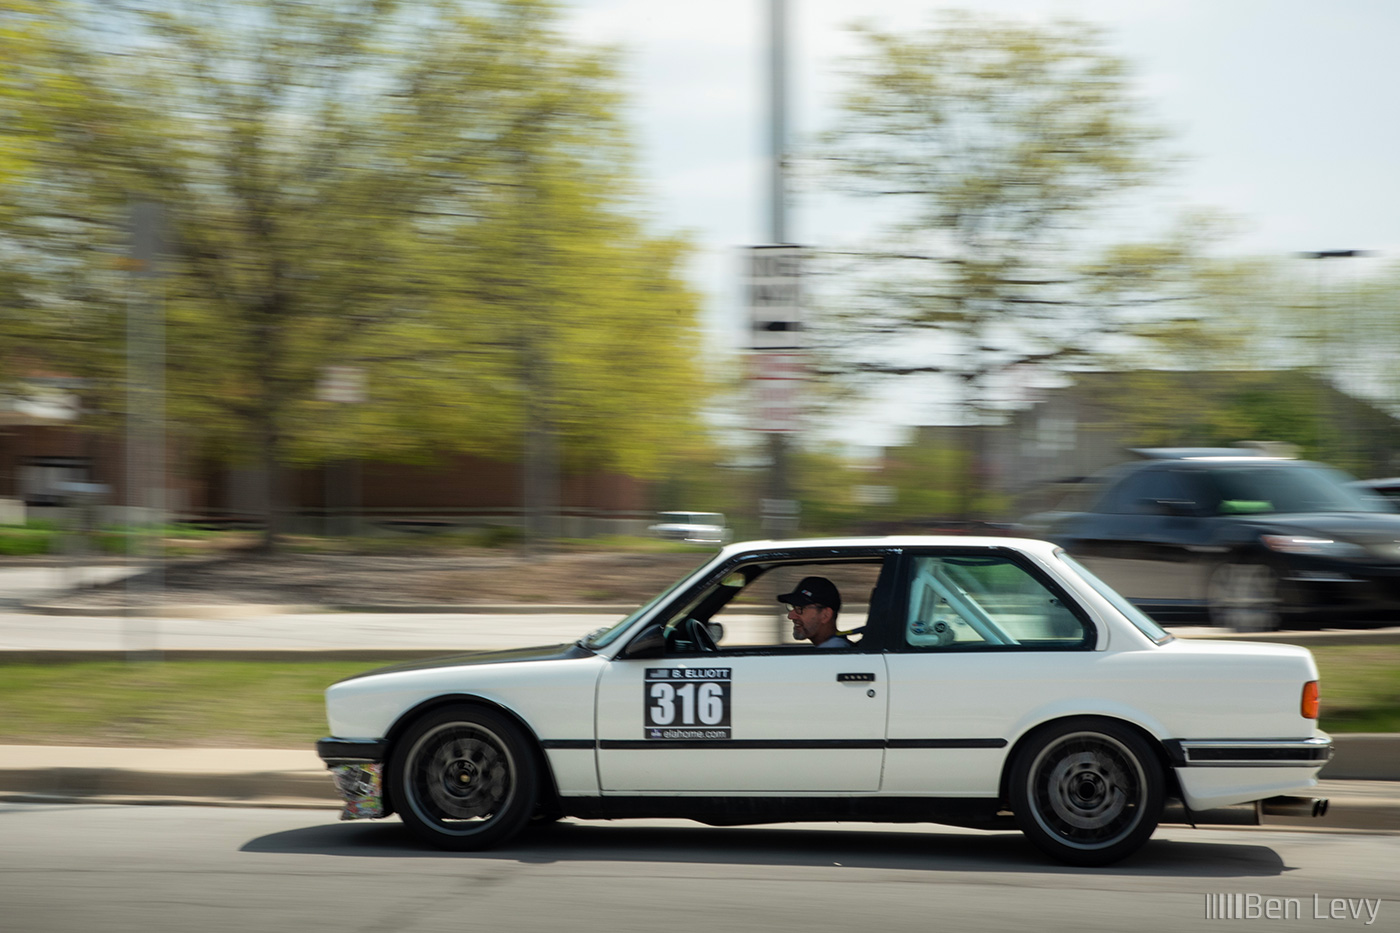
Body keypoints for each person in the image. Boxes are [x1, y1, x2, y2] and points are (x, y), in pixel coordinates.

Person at [777, 576, 851, 648]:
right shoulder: (833, 650)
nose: (790, 616)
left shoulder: (832, 655)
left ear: (826, 615)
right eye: (792, 607)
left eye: (800, 608)